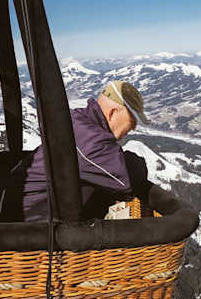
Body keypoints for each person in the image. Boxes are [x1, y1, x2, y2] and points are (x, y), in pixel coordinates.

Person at [12, 80, 151, 222]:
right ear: (112, 113)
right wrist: (134, 161)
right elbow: (127, 180)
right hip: (25, 224)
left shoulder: (78, 120)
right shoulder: (91, 141)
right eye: (132, 120)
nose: (133, 128)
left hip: (22, 209)